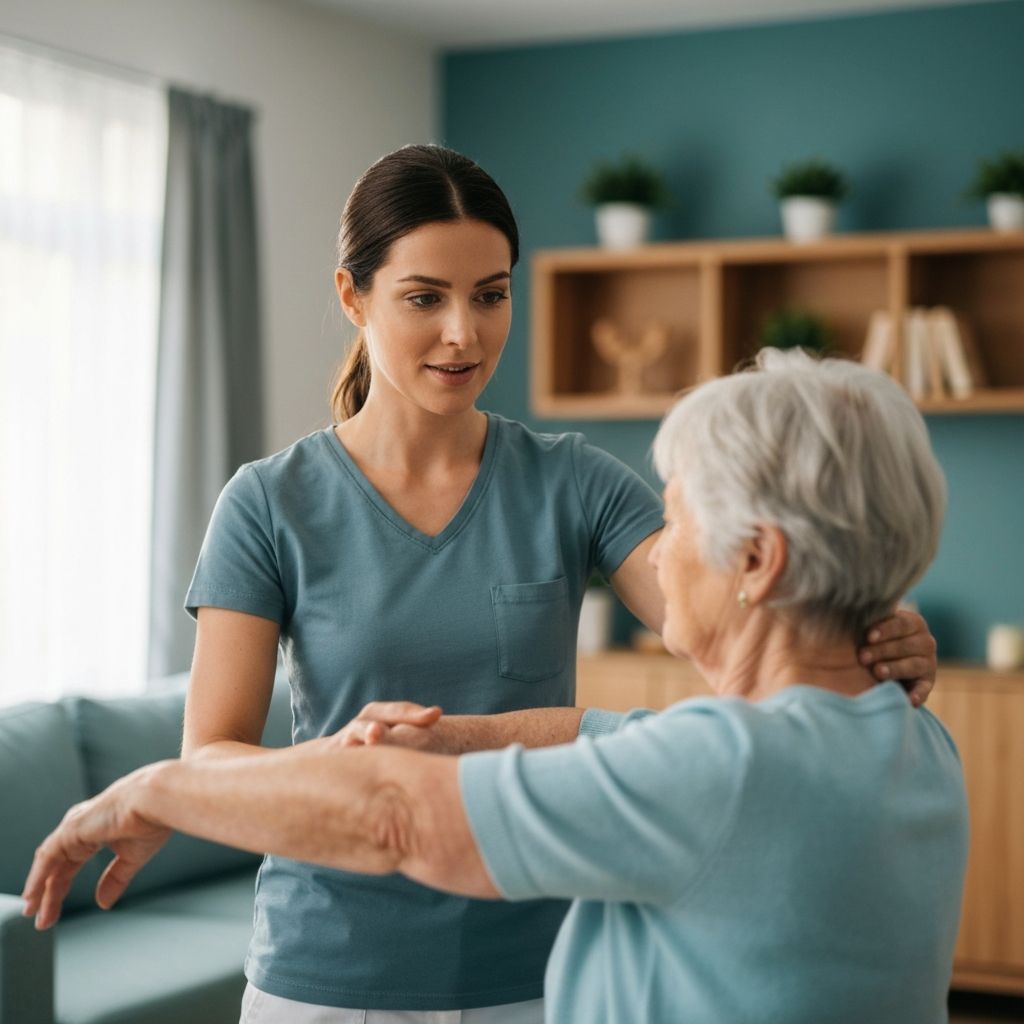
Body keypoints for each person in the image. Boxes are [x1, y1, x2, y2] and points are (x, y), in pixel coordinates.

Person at [29, 147, 940, 1024]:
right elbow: (215, 756)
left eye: (491, 295)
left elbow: (733, 605)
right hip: (331, 966)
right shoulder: (269, 504)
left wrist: (867, 630)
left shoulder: (573, 480)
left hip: (532, 963)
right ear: (352, 295)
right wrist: (347, 765)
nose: (464, 332)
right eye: (425, 298)